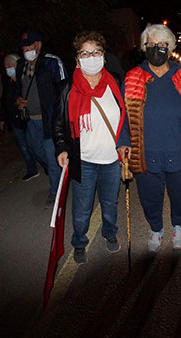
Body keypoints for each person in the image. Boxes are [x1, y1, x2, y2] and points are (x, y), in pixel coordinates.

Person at [117, 24, 181, 252]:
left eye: (162, 44)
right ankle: (156, 228)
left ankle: (178, 227)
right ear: (144, 48)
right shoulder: (134, 76)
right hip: (146, 152)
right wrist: (123, 142)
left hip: (179, 150)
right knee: (150, 197)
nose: (157, 49)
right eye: (151, 44)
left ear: (170, 47)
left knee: (180, 196)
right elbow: (123, 115)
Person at [53, 31, 127, 264]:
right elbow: (58, 124)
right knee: (82, 209)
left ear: (103, 56)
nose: (91, 57)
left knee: (109, 203)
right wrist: (62, 148)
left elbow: (125, 118)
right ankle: (79, 241)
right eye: (85, 53)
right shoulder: (67, 88)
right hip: (83, 160)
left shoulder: (115, 81)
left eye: (96, 52)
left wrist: (126, 144)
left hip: (112, 160)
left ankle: (110, 233)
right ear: (77, 59)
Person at [15, 30, 67, 205]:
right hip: (31, 120)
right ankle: (62, 168)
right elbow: (18, 88)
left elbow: (64, 89)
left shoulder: (52, 62)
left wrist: (62, 117)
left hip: (50, 120)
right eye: (23, 47)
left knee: (51, 157)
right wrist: (19, 100)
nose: (26, 49)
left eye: (29, 45)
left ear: (38, 44)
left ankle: (56, 192)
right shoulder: (21, 65)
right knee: (37, 152)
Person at [0, 53, 39, 181]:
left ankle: (47, 165)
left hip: (28, 118)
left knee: (35, 145)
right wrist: (2, 118)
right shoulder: (8, 83)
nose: (7, 68)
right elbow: (4, 102)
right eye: (5, 67)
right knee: (23, 146)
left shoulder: (24, 80)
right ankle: (32, 169)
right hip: (15, 120)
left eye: (10, 65)